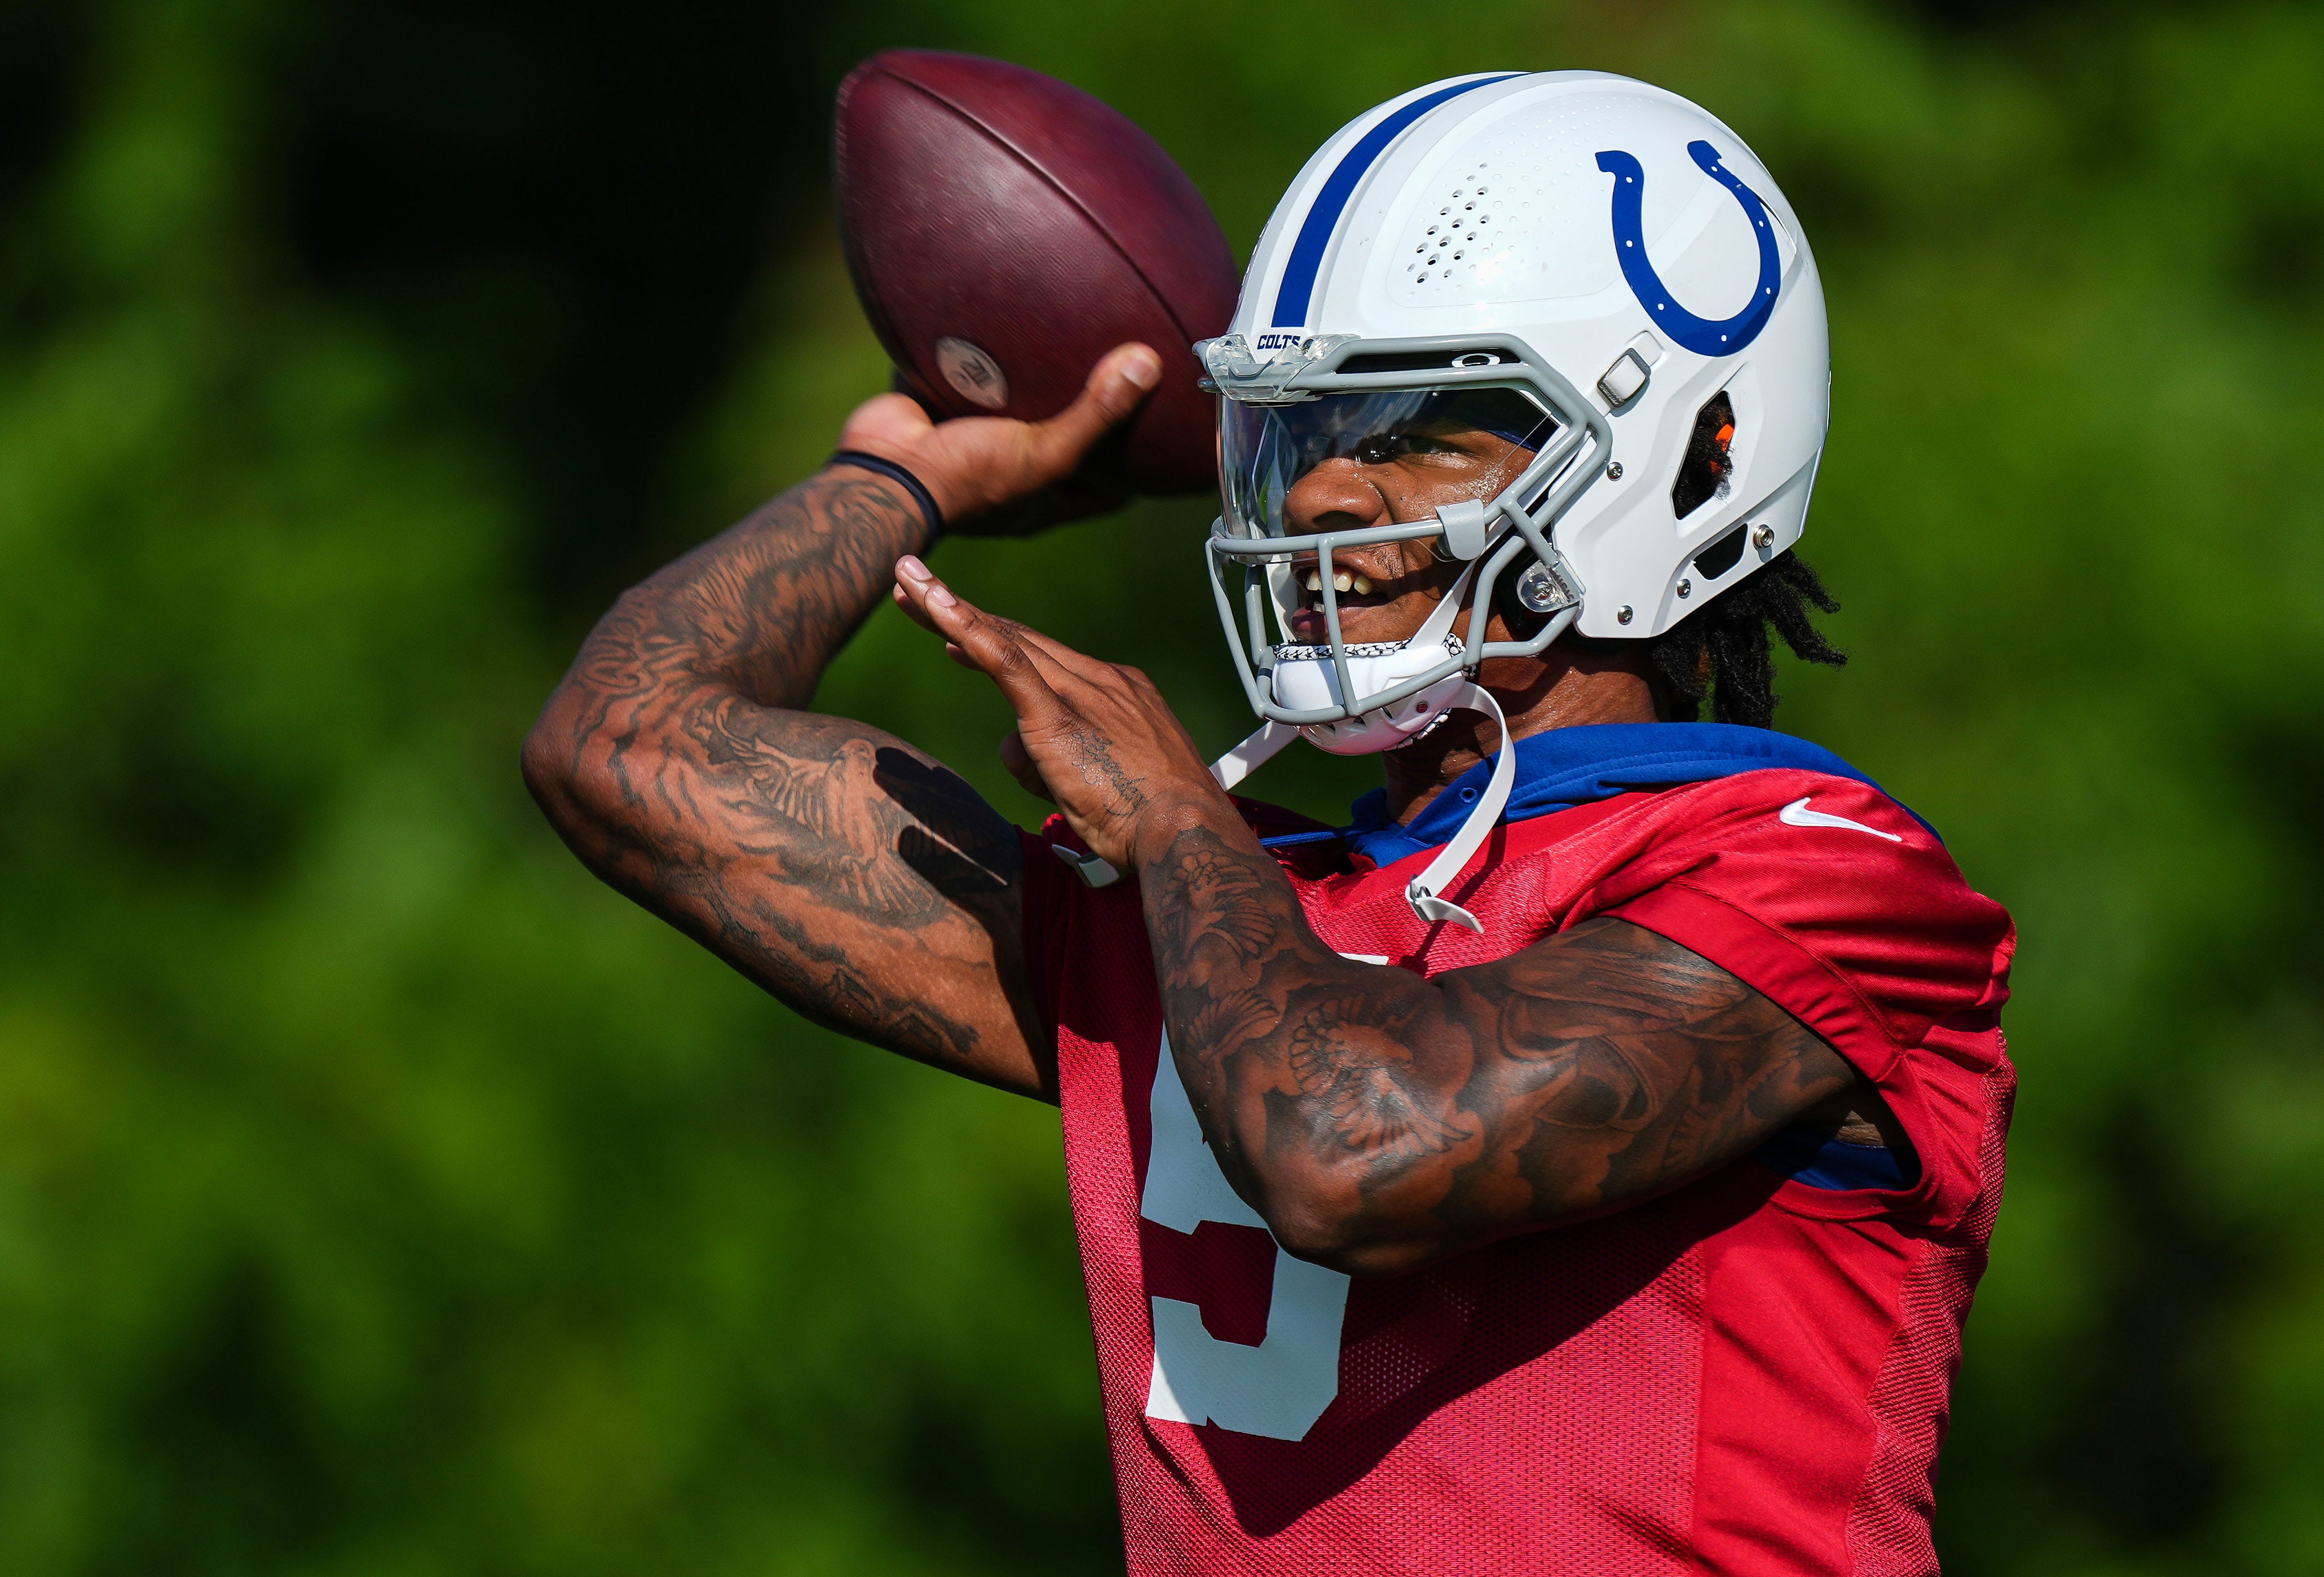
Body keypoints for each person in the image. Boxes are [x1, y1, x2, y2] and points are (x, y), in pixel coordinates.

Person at [526, 69, 2015, 1575]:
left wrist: (1177, 822)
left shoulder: (1824, 871)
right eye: (1306, 431)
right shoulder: (1232, 914)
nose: (1323, 497)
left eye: (1427, 426)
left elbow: (1357, 1148)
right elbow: (624, 750)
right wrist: (898, 480)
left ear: (1691, 453)